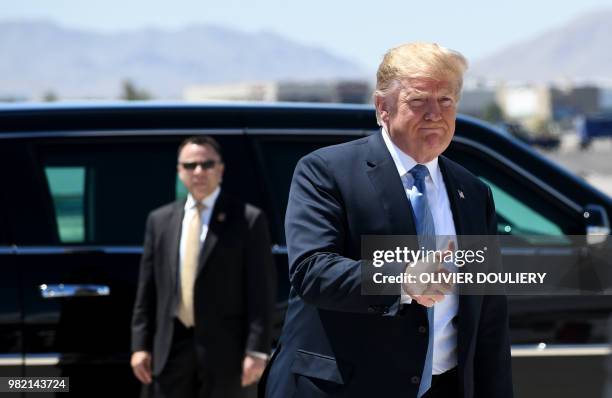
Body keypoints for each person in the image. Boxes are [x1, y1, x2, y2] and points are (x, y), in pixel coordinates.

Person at [261, 43, 513, 398]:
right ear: (383, 108)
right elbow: (312, 271)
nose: (434, 114)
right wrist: (402, 280)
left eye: (445, 101)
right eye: (418, 101)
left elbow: (488, 315)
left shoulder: (472, 192)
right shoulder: (326, 172)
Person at [131, 136, 276, 398]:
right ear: (179, 171)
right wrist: (140, 346)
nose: (198, 171)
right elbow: (147, 289)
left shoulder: (247, 219)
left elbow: (261, 291)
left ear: (220, 169)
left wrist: (256, 350)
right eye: (190, 165)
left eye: (207, 164)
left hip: (226, 354)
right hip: (171, 348)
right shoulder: (160, 220)